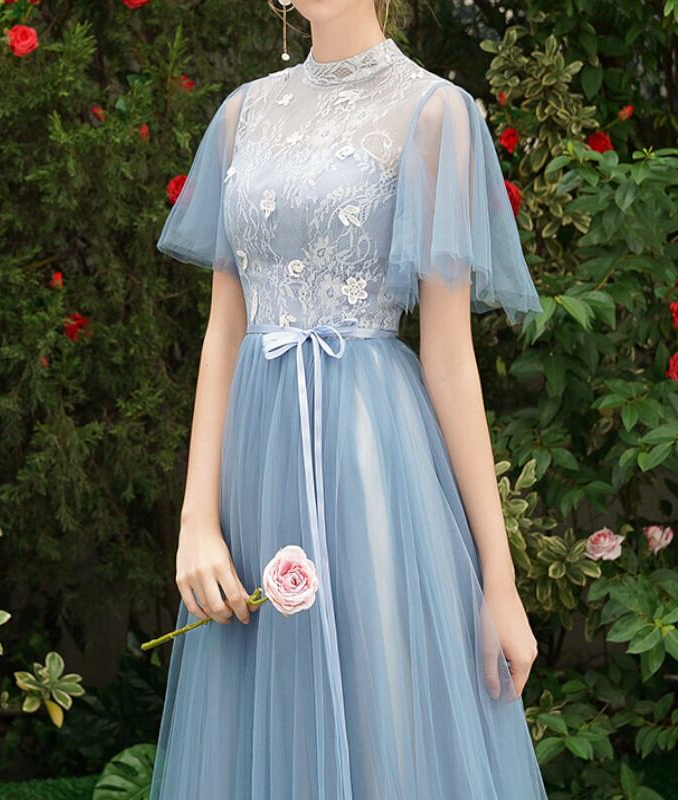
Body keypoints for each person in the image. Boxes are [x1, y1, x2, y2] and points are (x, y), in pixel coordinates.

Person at [149, 1, 547, 797]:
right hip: (254, 464)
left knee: (379, 718)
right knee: (257, 724)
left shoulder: (436, 113)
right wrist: (196, 519)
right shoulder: (242, 115)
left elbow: (449, 360)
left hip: (369, 456)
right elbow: (224, 332)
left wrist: (499, 583)